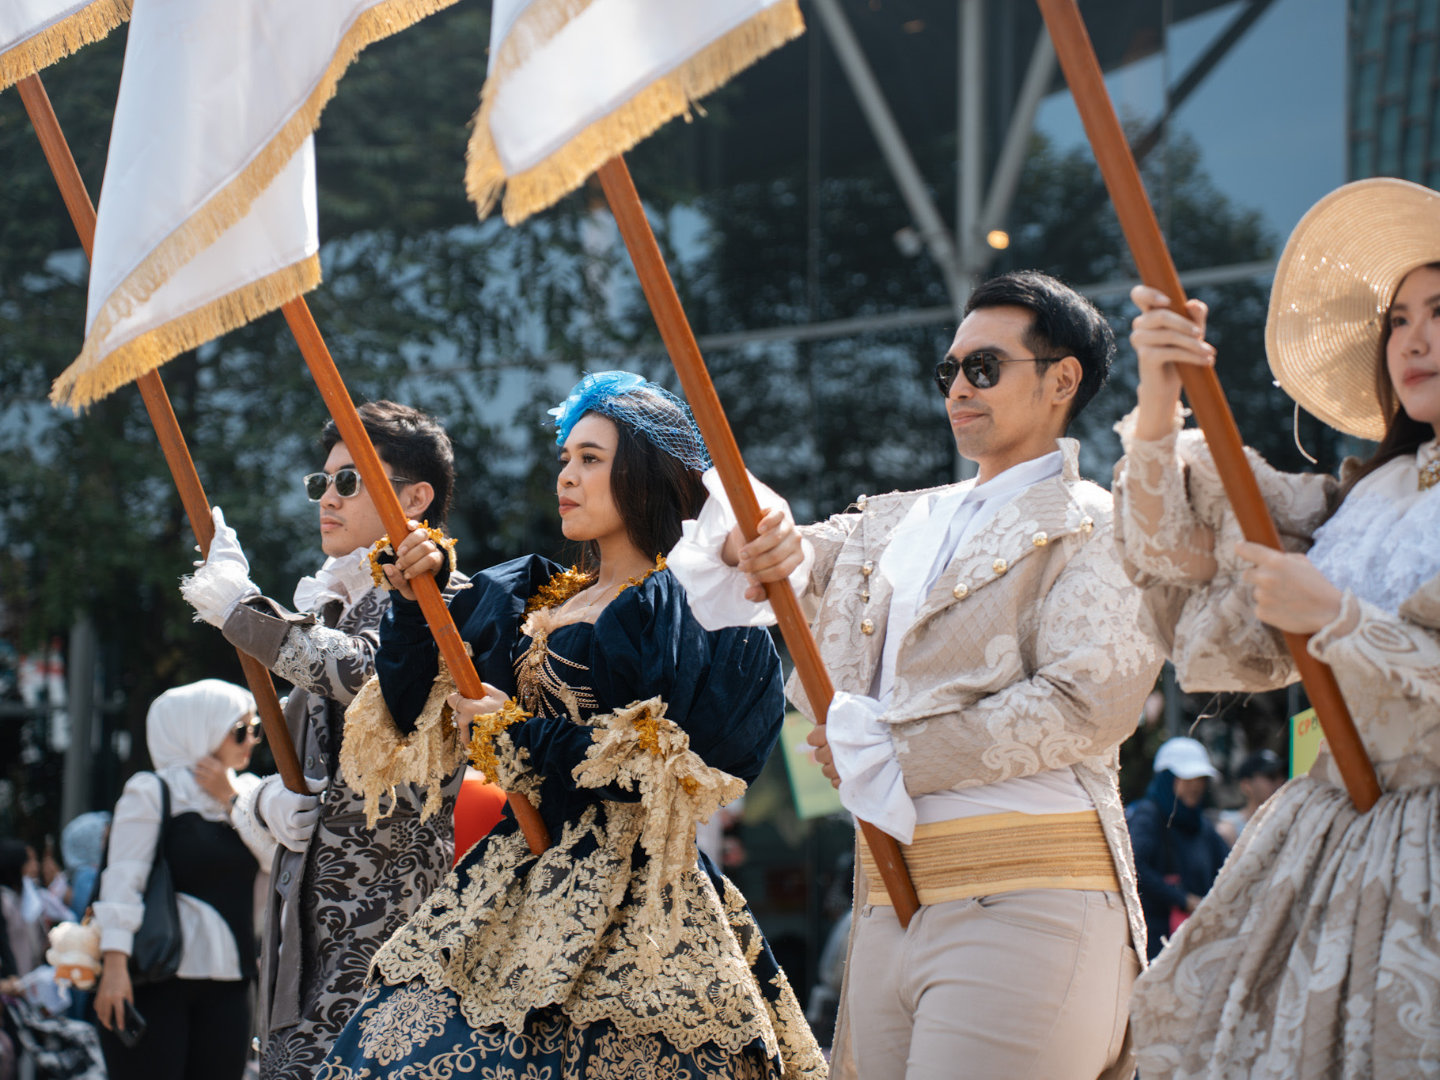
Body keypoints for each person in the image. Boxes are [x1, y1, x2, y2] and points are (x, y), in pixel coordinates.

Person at [670, 270, 1162, 1079]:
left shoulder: (1100, 521)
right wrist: (749, 544)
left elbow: (1086, 704)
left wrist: (890, 747)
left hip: (1032, 891)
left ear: (1061, 380)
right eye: (949, 371)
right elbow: (783, 554)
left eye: (984, 368)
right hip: (885, 896)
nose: (958, 389)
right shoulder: (898, 517)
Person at [319, 371, 824, 1079]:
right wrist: (414, 597)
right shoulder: (532, 597)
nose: (568, 476)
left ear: (644, 474)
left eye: (592, 459)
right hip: (512, 877)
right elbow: (405, 706)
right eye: (565, 458)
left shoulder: (685, 606)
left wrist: (518, 736)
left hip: (639, 897)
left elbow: (681, 765)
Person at [1113, 177, 1440, 1077]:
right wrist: (1161, 388)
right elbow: (1180, 547)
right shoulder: (1360, 496)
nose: (1412, 337)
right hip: (1325, 839)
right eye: (1399, 317)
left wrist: (1338, 619)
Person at [179, 401, 466, 1078]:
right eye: (322, 483)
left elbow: (370, 675)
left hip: (386, 936)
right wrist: (262, 807)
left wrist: (242, 610)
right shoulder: (331, 603)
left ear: (416, 498)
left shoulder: (442, 599)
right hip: (299, 945)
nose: (327, 499)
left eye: (349, 481)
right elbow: (289, 740)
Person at [92, 679, 269, 1080]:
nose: (251, 740)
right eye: (240, 730)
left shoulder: (252, 793)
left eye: (255, 729)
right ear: (199, 729)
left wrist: (232, 800)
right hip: (157, 978)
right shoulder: (153, 791)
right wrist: (114, 965)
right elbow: (123, 880)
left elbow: (280, 863)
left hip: (232, 980)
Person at [1124, 737, 1230, 960]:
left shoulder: (1201, 824)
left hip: (1197, 943)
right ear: (1167, 778)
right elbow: (1133, 868)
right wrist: (1183, 900)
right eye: (1187, 778)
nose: (1196, 786)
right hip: (1156, 944)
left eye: (1201, 779)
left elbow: (1230, 865)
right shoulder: (1148, 816)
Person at [1215, 748, 1284, 846]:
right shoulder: (1229, 829)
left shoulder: (1287, 823)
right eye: (1271, 776)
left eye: (1282, 776)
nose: (1279, 782)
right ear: (1246, 785)